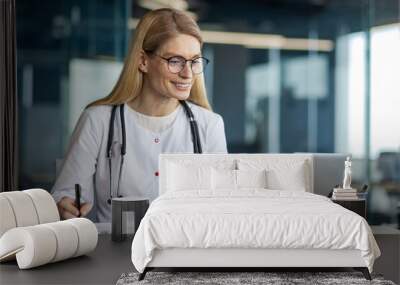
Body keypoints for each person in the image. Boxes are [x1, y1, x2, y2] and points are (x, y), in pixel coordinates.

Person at [51, 8, 228, 222]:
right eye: (175, 61)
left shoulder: (209, 125)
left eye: (194, 61)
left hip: (185, 252)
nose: (187, 73)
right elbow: (67, 194)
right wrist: (65, 205)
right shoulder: (98, 121)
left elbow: (222, 204)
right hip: (113, 251)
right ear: (143, 61)